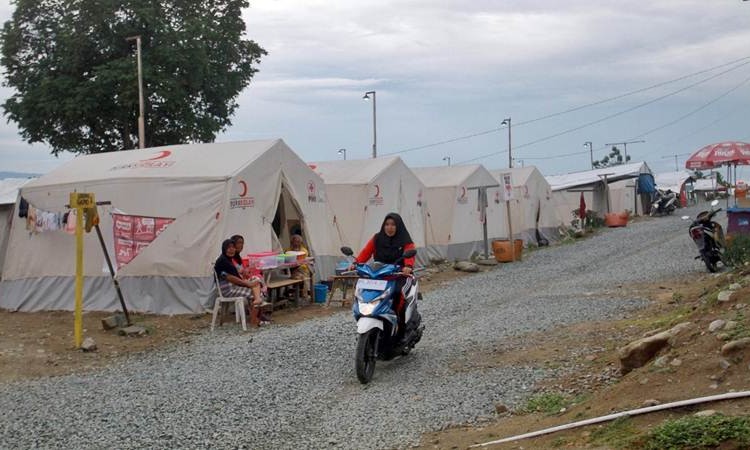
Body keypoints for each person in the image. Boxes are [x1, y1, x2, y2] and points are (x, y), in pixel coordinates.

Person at [352, 213, 415, 336]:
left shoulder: (405, 240)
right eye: (387, 224)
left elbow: (410, 254)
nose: (389, 227)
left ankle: (400, 325)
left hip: (398, 275)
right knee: (363, 291)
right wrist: (356, 263)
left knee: (399, 293)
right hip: (378, 275)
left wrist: (407, 266)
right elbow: (366, 252)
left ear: (398, 226)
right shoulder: (377, 238)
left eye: (393, 225)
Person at [214, 239, 270, 326]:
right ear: (224, 248)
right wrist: (247, 284)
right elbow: (229, 277)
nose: (232, 249)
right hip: (228, 289)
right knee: (256, 292)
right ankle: (255, 319)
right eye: (229, 248)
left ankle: (257, 309)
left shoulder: (229, 260)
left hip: (235, 286)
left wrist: (247, 281)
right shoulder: (223, 261)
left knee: (256, 280)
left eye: (233, 247)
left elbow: (236, 276)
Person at [286, 234, 311, 299]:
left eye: (298, 242)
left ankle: (304, 294)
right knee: (288, 275)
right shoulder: (288, 250)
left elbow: (302, 262)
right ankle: (290, 293)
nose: (296, 243)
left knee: (304, 278)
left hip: (302, 269)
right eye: (295, 242)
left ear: (300, 243)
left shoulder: (303, 251)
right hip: (291, 270)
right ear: (292, 242)